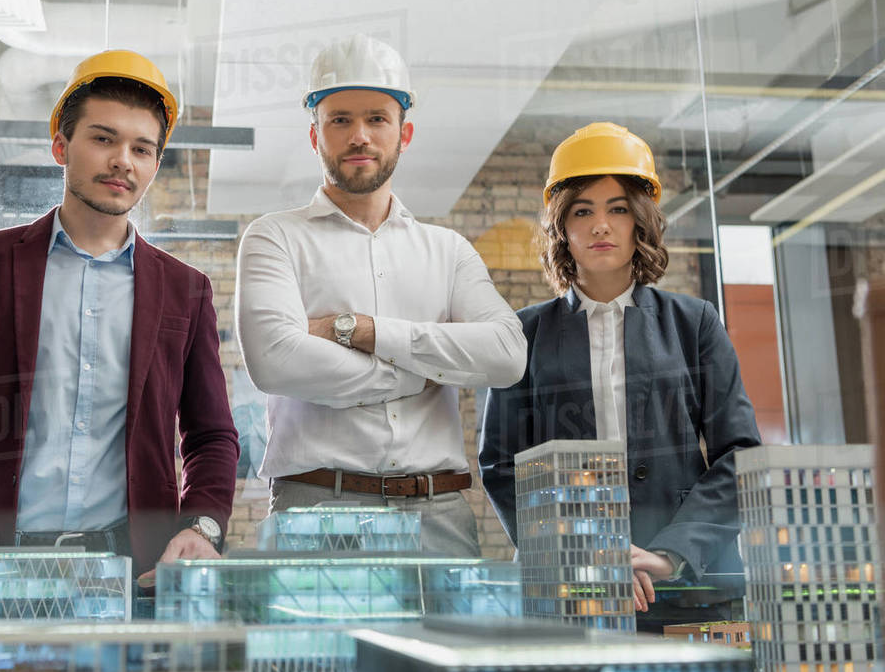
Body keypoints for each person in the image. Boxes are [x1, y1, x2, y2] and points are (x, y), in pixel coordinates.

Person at [0, 50, 239, 578]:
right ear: (61, 145)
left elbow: (212, 436)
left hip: (133, 569)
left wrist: (201, 528)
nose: (122, 160)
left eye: (142, 148)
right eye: (103, 139)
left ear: (154, 164)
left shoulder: (186, 291)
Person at [235, 34, 526, 556]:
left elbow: (507, 355)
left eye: (377, 118)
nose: (360, 136)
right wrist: (429, 367)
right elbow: (277, 362)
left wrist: (362, 331)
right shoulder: (273, 237)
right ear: (315, 135)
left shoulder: (449, 251)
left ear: (404, 133)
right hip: (316, 513)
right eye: (340, 119)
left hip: (439, 519)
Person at [478, 122, 761, 628]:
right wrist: (583, 552)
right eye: (582, 211)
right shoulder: (523, 333)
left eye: (618, 209)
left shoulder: (694, 322)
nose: (600, 226)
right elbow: (502, 466)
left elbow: (738, 454)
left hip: (689, 583)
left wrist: (671, 553)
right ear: (562, 228)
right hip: (570, 587)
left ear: (640, 221)